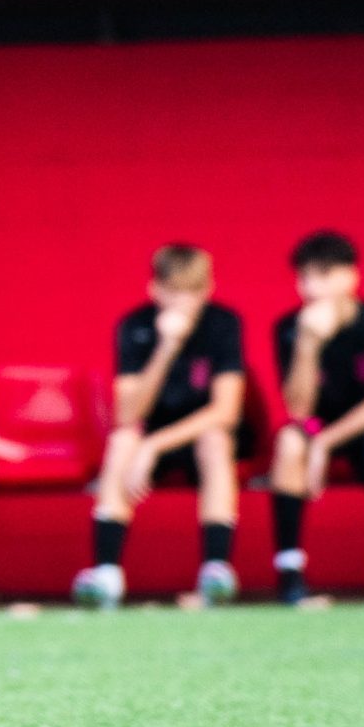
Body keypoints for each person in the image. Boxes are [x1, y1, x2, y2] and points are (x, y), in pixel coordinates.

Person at [74, 245, 247, 609]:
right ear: (155, 289)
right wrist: (166, 349)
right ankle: (107, 573)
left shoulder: (223, 324)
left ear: (209, 289)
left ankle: (215, 569)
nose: (185, 302)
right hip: (146, 437)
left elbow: (225, 411)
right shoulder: (134, 326)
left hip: (195, 436)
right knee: (122, 440)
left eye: (194, 292)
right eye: (175, 292)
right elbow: (127, 412)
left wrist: (154, 446)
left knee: (215, 441)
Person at [269, 230, 364, 605]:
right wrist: (307, 345)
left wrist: (325, 442)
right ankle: (289, 573)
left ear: (351, 276)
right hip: (316, 425)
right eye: (304, 277)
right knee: (288, 443)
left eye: (323, 275)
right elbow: (298, 409)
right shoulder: (289, 328)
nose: (312, 287)